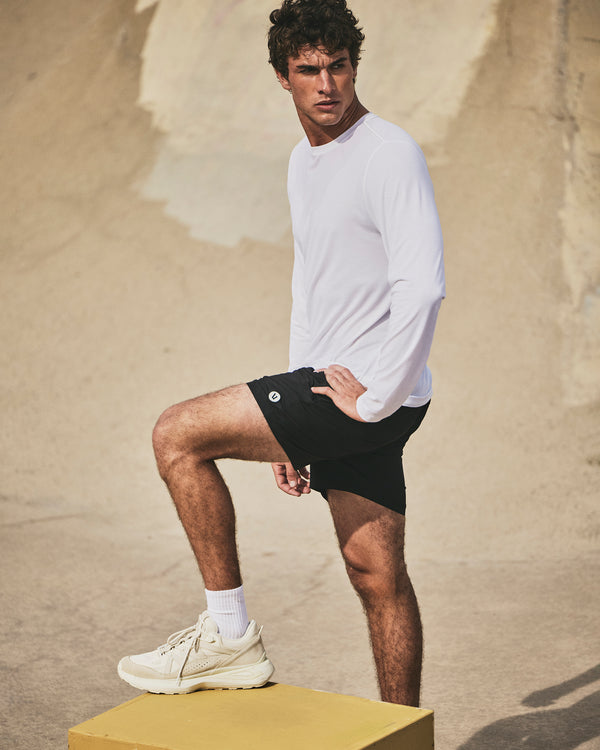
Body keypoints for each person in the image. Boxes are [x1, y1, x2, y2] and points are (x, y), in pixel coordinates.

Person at [117, 0, 445, 707]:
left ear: (355, 65)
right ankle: (403, 736)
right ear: (282, 77)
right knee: (376, 573)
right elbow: (312, 285)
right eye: (308, 70)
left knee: (177, 436)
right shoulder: (305, 161)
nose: (327, 84)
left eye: (339, 66)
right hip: (343, 391)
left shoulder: (388, 152)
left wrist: (374, 400)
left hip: (365, 394)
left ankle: (228, 633)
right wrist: (297, 415)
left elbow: (422, 289)